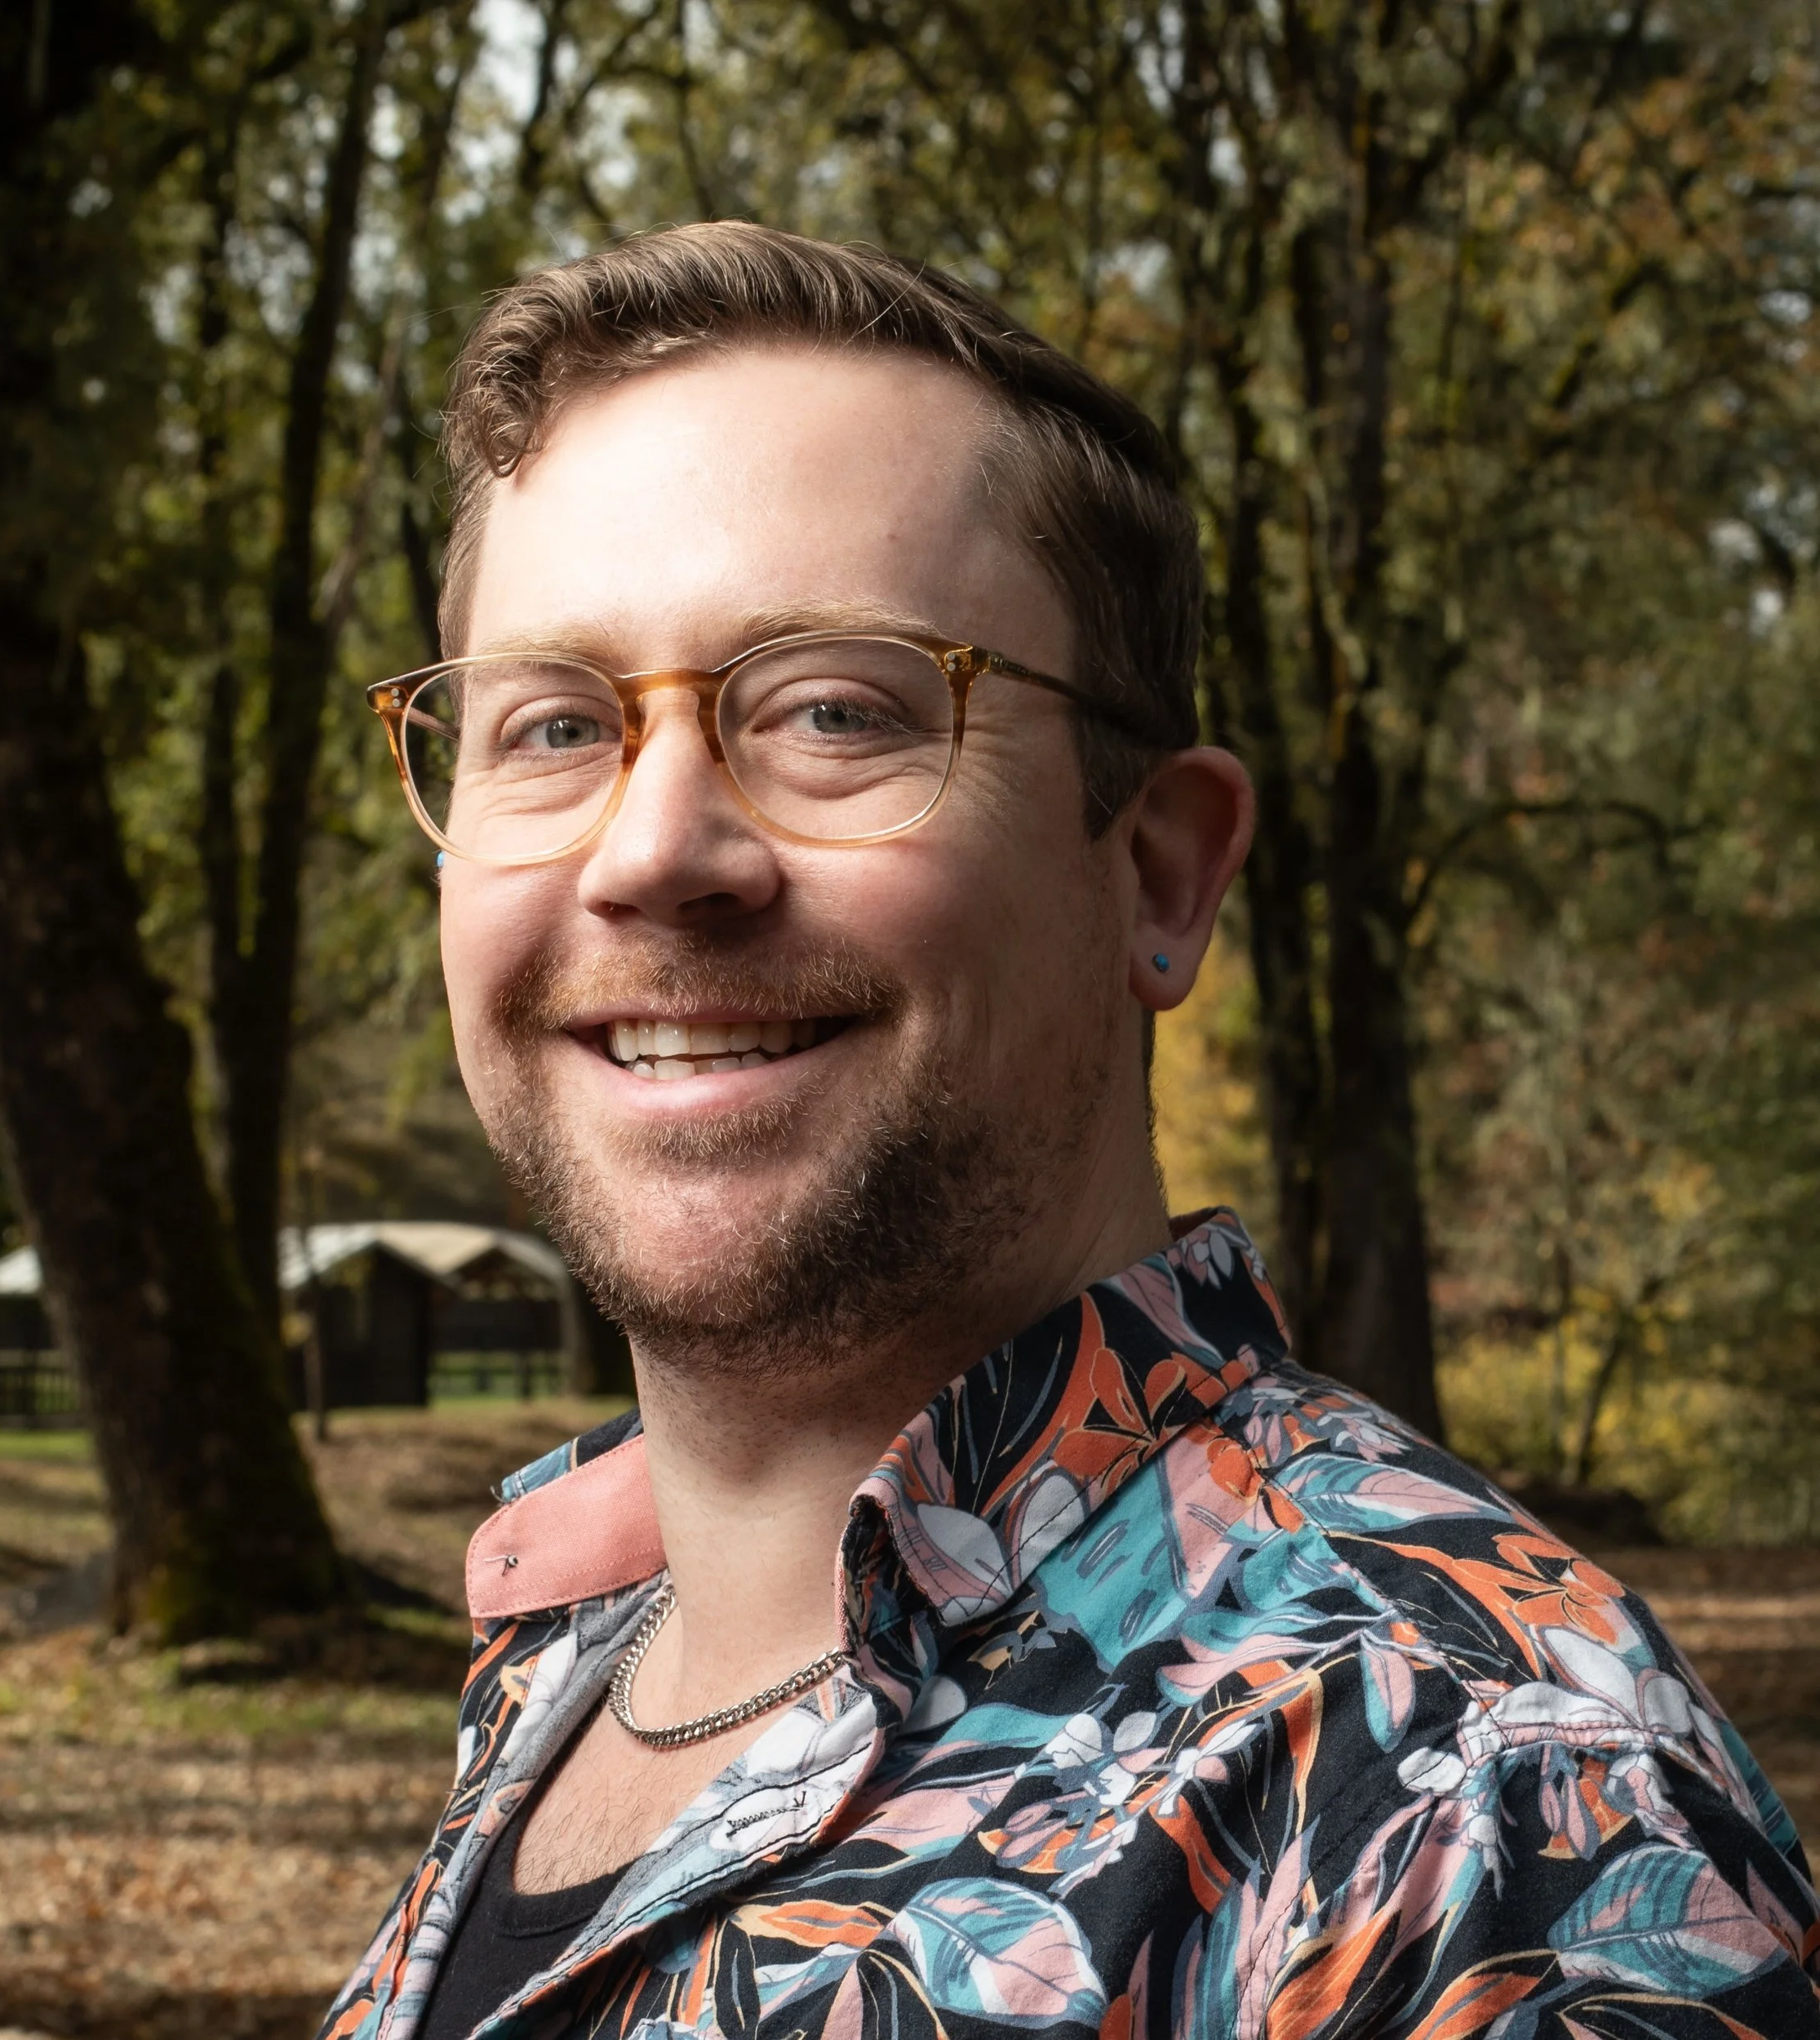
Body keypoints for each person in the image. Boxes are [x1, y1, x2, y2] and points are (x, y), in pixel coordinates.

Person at [322, 224, 1819, 2040]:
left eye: (830, 710)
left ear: (1160, 874)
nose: (650, 851)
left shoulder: (1474, 1815)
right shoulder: (570, 1664)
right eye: (551, 724)